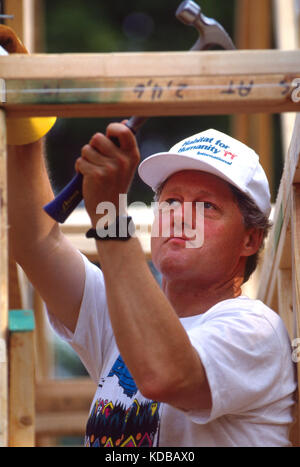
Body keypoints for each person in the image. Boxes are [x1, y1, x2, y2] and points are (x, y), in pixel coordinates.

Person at [8, 123, 296, 447]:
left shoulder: (256, 330)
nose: (180, 216)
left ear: (250, 239)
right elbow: (35, 243)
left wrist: (111, 217)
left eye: (206, 206)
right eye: (171, 201)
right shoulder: (123, 311)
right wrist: (28, 128)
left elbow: (163, 375)